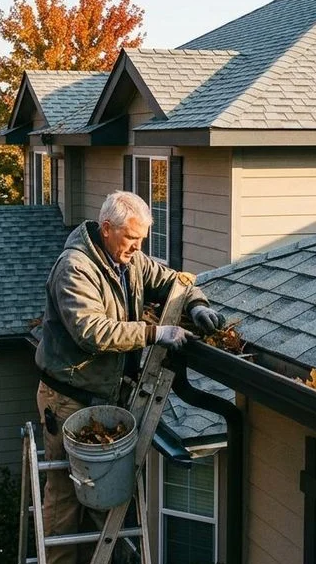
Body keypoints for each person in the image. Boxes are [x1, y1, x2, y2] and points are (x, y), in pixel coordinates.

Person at [35, 190, 224, 564]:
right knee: (65, 494)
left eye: (142, 240)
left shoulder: (130, 262)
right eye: (131, 239)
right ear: (107, 229)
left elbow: (176, 281)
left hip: (104, 397)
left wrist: (198, 304)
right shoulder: (75, 267)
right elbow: (91, 331)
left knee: (102, 494)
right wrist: (155, 333)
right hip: (68, 397)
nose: (138, 247)